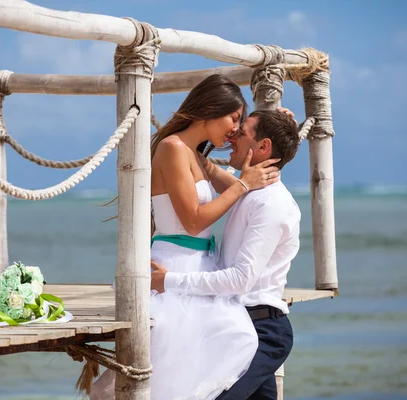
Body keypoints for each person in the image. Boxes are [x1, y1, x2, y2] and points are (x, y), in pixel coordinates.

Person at [90, 74, 281, 400]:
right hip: (175, 263)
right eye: (233, 118)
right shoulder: (172, 148)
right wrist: (243, 183)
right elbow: (193, 221)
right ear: (210, 108)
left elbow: (243, 189)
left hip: (198, 265)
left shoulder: (196, 156)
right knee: (180, 363)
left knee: (218, 349)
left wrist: (277, 131)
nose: (234, 129)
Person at [151, 107, 301, 400]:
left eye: (241, 132)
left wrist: (169, 281)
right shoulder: (248, 190)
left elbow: (241, 279)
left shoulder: (270, 204)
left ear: (263, 146)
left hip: (261, 332)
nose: (232, 137)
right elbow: (206, 171)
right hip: (234, 323)